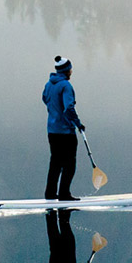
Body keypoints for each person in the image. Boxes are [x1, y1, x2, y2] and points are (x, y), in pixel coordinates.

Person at [42, 54, 84, 200]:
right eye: (70, 69)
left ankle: (50, 194)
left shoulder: (49, 84)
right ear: (67, 70)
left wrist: (54, 112)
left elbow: (45, 99)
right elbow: (69, 108)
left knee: (55, 163)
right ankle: (64, 194)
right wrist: (77, 123)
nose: (71, 72)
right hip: (66, 132)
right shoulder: (66, 85)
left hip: (52, 131)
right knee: (69, 164)